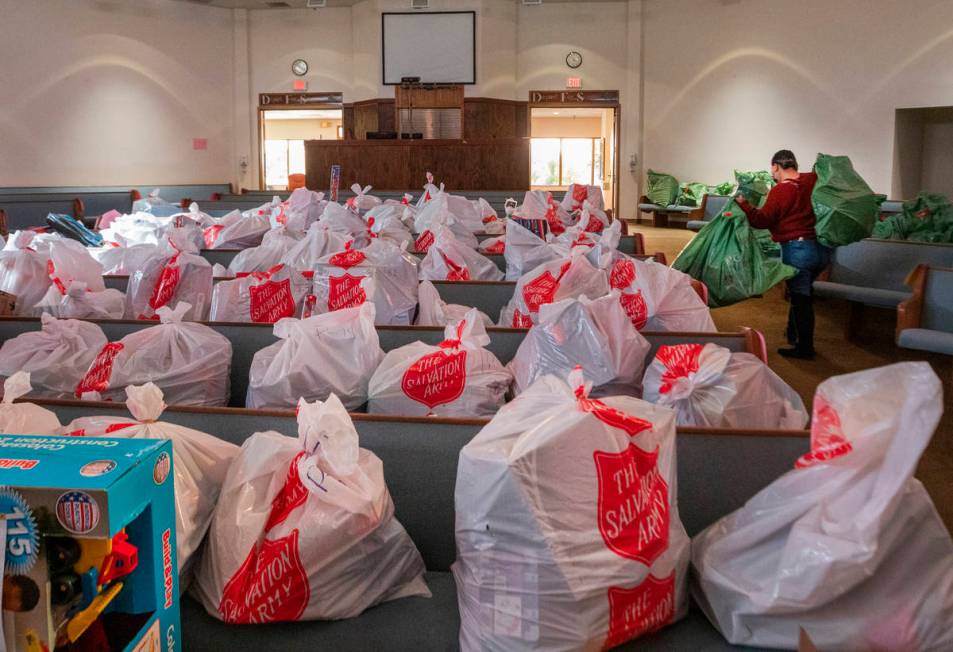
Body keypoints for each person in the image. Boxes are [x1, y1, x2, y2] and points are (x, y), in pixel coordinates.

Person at [735, 150, 829, 359]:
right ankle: (793, 335)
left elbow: (762, 220)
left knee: (800, 299)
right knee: (804, 294)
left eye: (772, 170)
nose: (772, 174)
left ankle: (805, 348)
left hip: (798, 250)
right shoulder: (812, 181)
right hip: (820, 250)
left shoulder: (781, 191)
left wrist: (744, 205)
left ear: (776, 166)